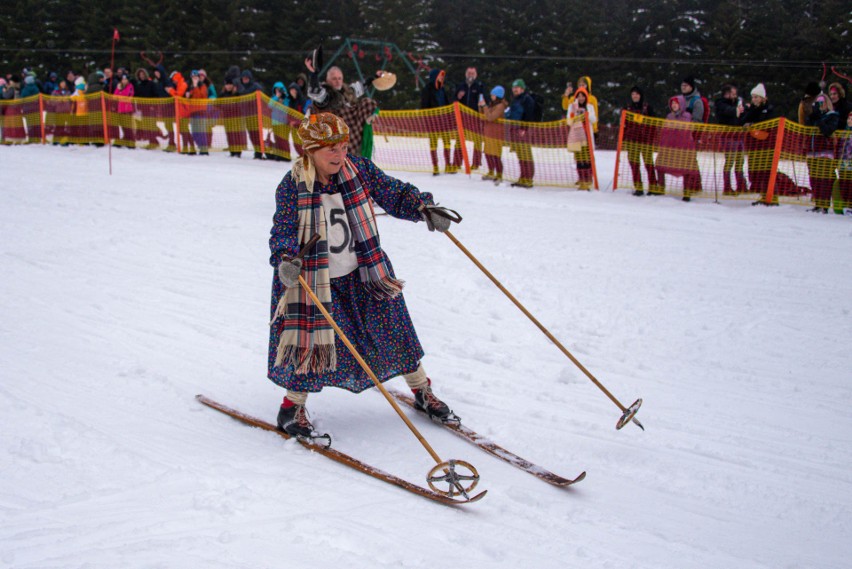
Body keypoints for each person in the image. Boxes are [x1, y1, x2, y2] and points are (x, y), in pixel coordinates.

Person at [268, 112, 461, 438]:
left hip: (365, 273)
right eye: (331, 149)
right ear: (311, 150)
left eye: (343, 147)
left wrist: (423, 207)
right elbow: (283, 232)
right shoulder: (292, 186)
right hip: (315, 280)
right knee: (310, 347)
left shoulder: (358, 170)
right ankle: (291, 408)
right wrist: (287, 259)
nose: (340, 156)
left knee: (396, 330)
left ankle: (422, 391)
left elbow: (393, 192)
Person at [305, 58, 380, 159]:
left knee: (366, 102)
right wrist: (314, 74)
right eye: (334, 78)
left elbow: (360, 87)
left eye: (339, 78)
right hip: (331, 138)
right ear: (327, 80)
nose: (337, 81)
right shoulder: (326, 94)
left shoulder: (346, 91)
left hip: (350, 139)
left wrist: (374, 77)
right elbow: (315, 93)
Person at [799, 83, 840, 212]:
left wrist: (819, 119)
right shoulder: (815, 116)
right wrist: (811, 113)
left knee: (825, 178)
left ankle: (825, 204)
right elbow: (807, 125)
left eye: (822, 103)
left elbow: (827, 131)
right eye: (818, 103)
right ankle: (817, 202)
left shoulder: (833, 116)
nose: (820, 105)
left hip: (825, 152)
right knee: (814, 178)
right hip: (813, 152)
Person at [655, 95, 701, 201]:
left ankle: (687, 193)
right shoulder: (669, 116)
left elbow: (690, 130)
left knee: (687, 169)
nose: (674, 105)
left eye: (676, 103)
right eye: (672, 104)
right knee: (660, 165)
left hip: (684, 148)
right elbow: (665, 131)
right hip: (670, 147)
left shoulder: (687, 116)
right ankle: (661, 187)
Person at [740, 83, 777, 204]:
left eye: (756, 97)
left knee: (767, 171)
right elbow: (743, 120)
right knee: (756, 171)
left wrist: (753, 125)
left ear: (762, 98)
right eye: (753, 97)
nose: (754, 99)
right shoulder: (752, 109)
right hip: (755, 145)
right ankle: (763, 195)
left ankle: (772, 196)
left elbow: (767, 123)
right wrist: (750, 111)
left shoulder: (769, 109)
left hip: (767, 146)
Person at [623, 86, 658, 196]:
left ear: (641, 95)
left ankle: (653, 187)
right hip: (632, 141)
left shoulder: (647, 108)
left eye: (637, 94)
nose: (635, 96)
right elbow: (624, 124)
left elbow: (654, 123)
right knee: (634, 164)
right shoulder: (627, 108)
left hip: (645, 140)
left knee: (648, 164)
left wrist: (651, 137)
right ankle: (638, 187)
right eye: (633, 94)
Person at [420, 68, 457, 175]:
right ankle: (435, 166)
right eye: (440, 75)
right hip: (433, 121)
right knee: (433, 144)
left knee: (447, 143)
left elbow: (446, 104)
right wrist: (428, 119)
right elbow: (424, 106)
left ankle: (448, 165)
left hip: (444, 121)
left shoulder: (442, 89)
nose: (442, 78)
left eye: (442, 76)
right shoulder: (427, 90)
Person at [714, 84, 748, 195]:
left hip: (739, 136)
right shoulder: (720, 103)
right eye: (732, 93)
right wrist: (736, 111)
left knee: (740, 161)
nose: (735, 95)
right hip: (728, 137)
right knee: (730, 161)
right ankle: (727, 187)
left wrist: (746, 108)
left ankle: (741, 185)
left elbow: (743, 113)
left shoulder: (737, 102)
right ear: (726, 94)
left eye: (735, 94)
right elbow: (727, 110)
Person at [455, 67, 487, 170]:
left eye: (472, 73)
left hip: (475, 117)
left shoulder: (479, 86)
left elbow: (485, 99)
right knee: (459, 139)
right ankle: (456, 162)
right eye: (469, 73)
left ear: (476, 75)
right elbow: (454, 99)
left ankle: (476, 163)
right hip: (462, 117)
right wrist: (458, 97)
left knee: (477, 140)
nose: (470, 75)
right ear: (466, 74)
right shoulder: (461, 86)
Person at [507, 78, 536, 188]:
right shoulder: (515, 99)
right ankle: (522, 177)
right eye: (514, 87)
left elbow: (529, 115)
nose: (515, 89)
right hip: (515, 129)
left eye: (517, 87)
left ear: (522, 88)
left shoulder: (527, 99)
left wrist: (524, 128)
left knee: (525, 154)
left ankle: (528, 178)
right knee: (520, 154)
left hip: (523, 130)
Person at [566, 86, 596, 190]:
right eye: (579, 96)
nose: (581, 98)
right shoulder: (572, 106)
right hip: (577, 135)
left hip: (587, 136)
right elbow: (568, 120)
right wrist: (575, 115)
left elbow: (594, 119)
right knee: (579, 159)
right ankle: (581, 178)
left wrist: (585, 114)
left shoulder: (590, 107)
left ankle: (588, 179)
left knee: (587, 158)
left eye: (583, 96)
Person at [479, 85, 508, 184]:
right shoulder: (492, 104)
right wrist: (481, 106)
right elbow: (485, 116)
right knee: (488, 154)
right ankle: (491, 172)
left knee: (496, 155)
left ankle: (499, 174)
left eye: (493, 95)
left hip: (496, 134)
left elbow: (491, 117)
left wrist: (485, 107)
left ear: (498, 96)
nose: (491, 96)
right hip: (489, 132)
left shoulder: (500, 106)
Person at [113, 73, 136, 147]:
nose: (124, 81)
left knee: (128, 126)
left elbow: (127, 96)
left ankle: (131, 142)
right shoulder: (119, 86)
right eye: (123, 79)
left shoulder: (130, 86)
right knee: (122, 125)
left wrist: (120, 92)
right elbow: (114, 96)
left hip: (127, 109)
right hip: (120, 109)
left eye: (125, 79)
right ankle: (125, 139)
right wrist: (118, 89)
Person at [837, 112, 852, 214]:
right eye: (849, 119)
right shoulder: (844, 133)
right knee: (844, 184)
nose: (849, 121)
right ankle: (846, 204)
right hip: (843, 163)